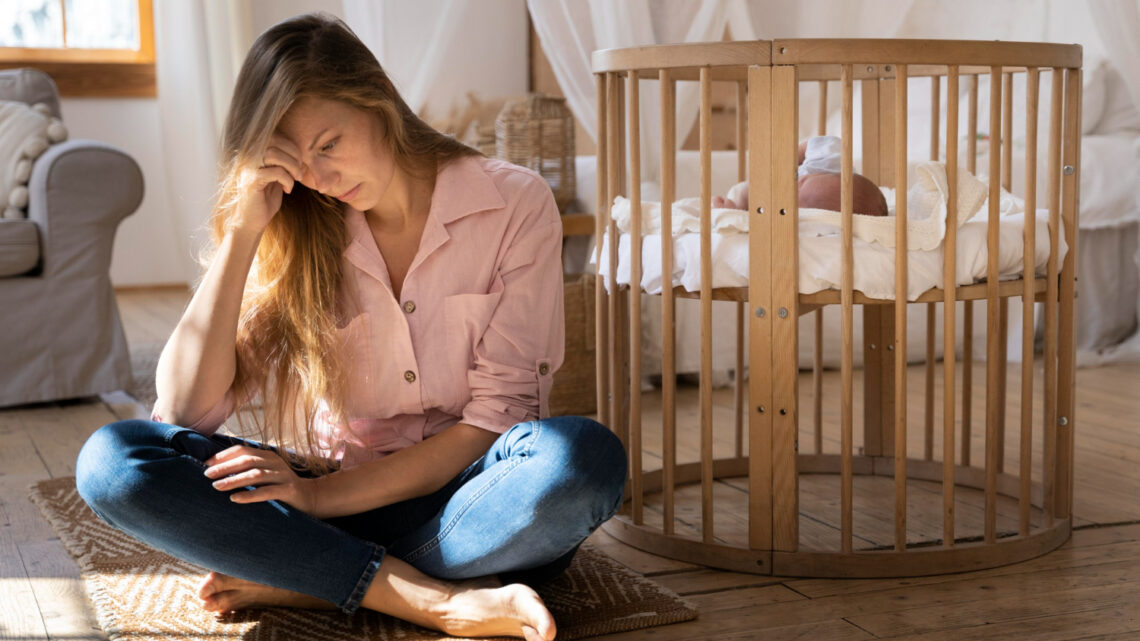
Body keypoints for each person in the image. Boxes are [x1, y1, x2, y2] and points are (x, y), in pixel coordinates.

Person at [74, 13, 625, 641]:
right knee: (113, 463)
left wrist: (313, 504)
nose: (319, 177)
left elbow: (496, 421)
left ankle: (307, 573)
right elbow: (183, 411)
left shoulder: (515, 204)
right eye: (296, 160)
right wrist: (244, 232)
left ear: (378, 96)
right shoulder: (298, 225)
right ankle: (428, 599)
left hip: (469, 503)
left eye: (329, 144)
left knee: (583, 460)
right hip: (337, 486)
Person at [713, 136, 889, 217]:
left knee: (750, 194)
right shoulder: (831, 159)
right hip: (781, 168)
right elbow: (809, 146)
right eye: (802, 182)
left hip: (766, 195)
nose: (792, 189)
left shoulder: (811, 219)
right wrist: (787, 161)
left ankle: (735, 209)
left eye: (796, 200)